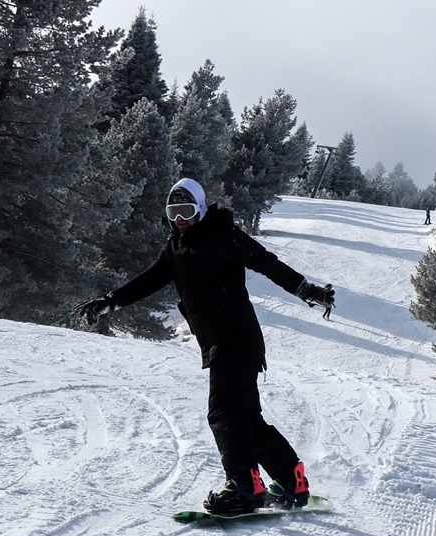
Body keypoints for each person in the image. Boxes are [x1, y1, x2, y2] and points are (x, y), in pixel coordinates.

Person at [74, 178, 335, 515]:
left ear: (199, 208)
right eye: (174, 211)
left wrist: (306, 290)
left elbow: (266, 262)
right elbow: (148, 280)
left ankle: (244, 486)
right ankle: (291, 480)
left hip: (236, 339)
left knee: (223, 413)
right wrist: (109, 302)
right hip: (219, 344)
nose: (180, 218)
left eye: (186, 210)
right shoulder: (175, 248)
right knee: (245, 419)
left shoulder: (222, 234)